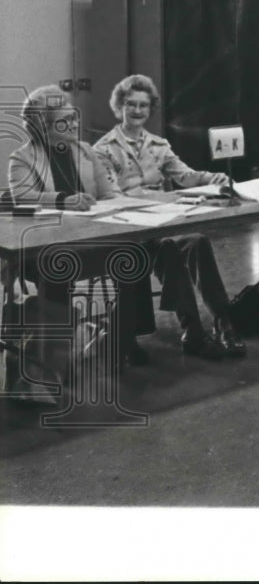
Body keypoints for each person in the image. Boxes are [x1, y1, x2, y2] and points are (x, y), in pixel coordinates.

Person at [93, 74, 245, 359]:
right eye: (130, 104)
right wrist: (164, 197)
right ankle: (192, 328)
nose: (137, 111)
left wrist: (217, 178)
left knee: (196, 240)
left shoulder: (158, 145)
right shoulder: (103, 149)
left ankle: (223, 321)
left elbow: (186, 176)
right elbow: (111, 196)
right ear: (119, 107)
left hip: (163, 221)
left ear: (151, 109)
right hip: (128, 229)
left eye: (144, 105)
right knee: (169, 247)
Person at [7, 85, 155, 372]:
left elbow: (107, 194)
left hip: (90, 241)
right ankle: (57, 353)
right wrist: (63, 200)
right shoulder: (22, 158)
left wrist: (126, 205)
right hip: (42, 249)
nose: (75, 124)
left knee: (135, 254)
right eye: (65, 121)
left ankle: (123, 338)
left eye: (74, 118)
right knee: (58, 265)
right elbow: (21, 199)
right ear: (43, 129)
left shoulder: (86, 151)